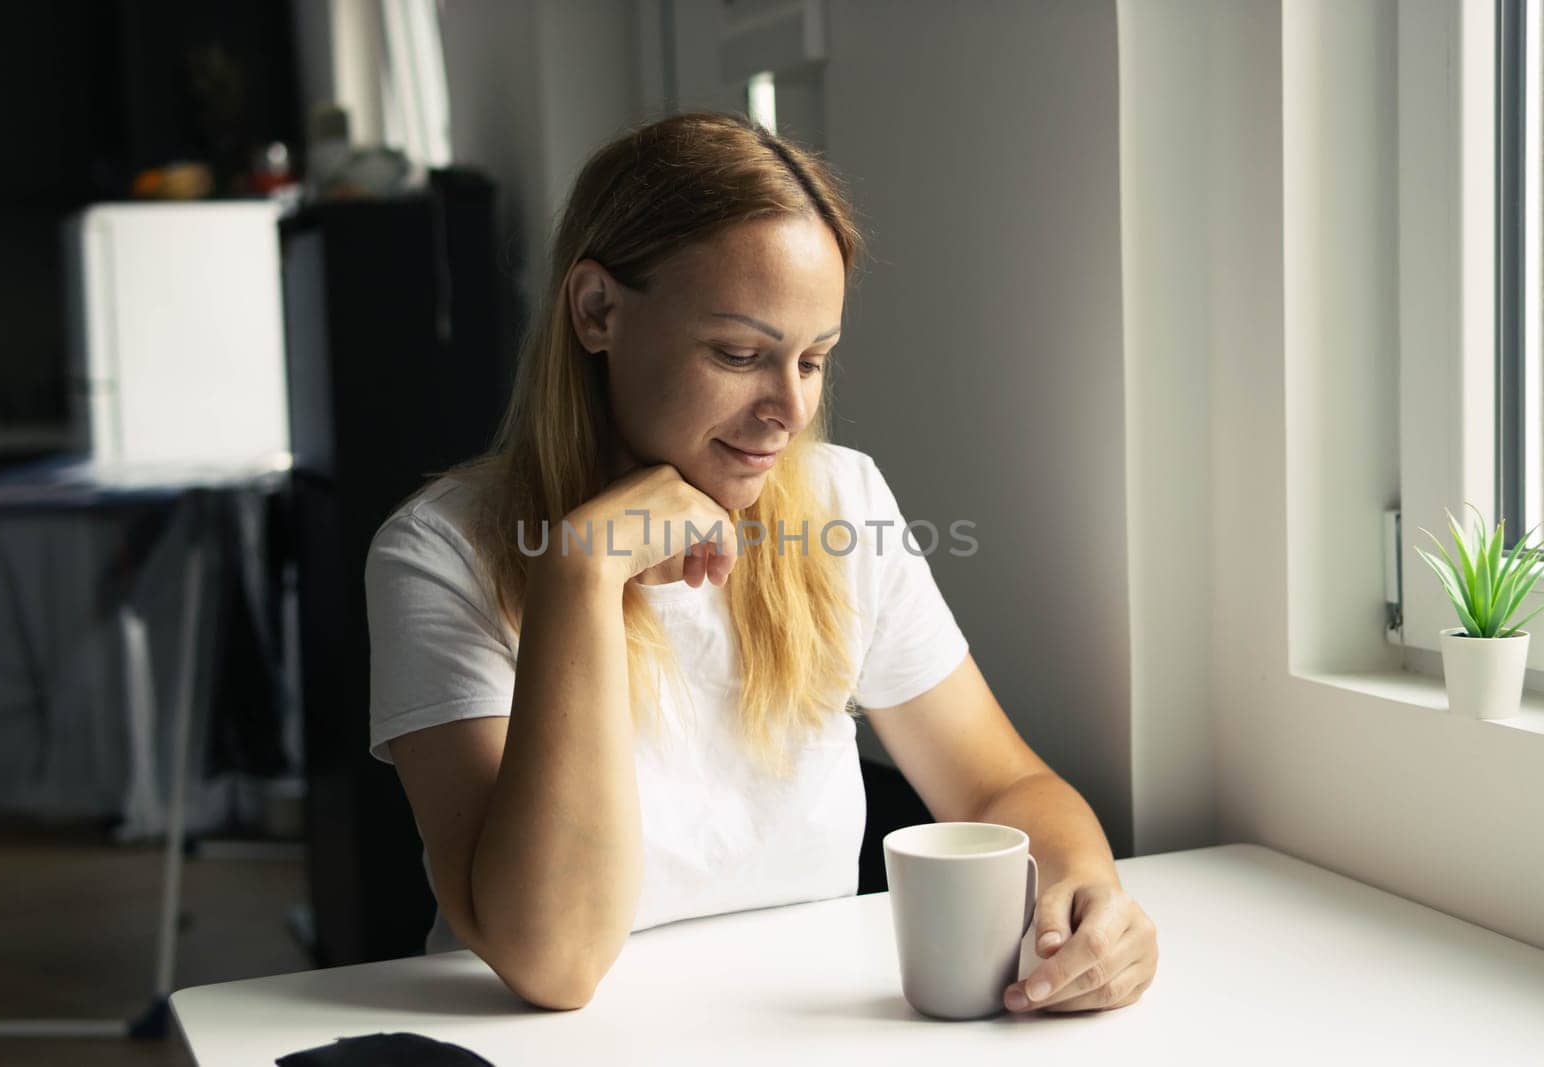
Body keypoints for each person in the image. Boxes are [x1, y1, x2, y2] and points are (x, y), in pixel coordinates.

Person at [364, 111, 1158, 1013]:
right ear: (596, 311)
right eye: (741, 354)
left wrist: (1087, 894)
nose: (789, 410)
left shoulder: (841, 501)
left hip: (801, 1028)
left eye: (813, 359)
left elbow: (1002, 784)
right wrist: (581, 575)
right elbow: (554, 959)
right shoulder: (436, 554)